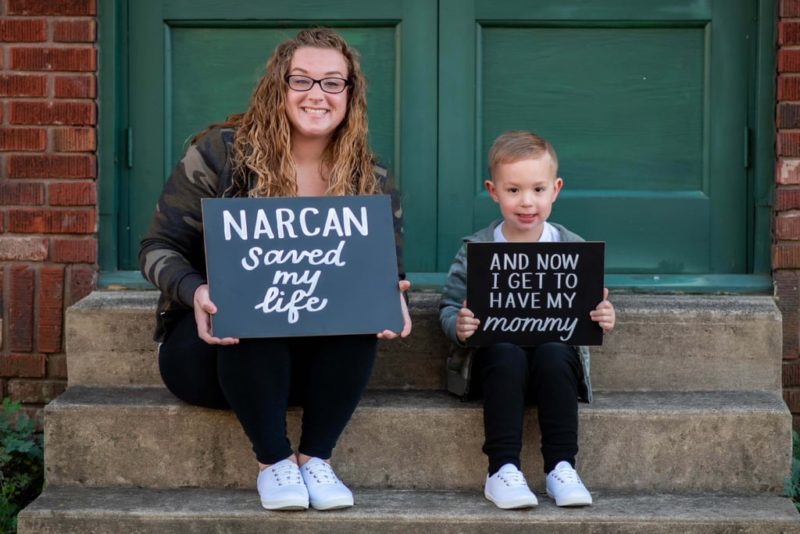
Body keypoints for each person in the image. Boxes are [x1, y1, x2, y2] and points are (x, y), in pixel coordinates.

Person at [139, 28, 411, 512]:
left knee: (356, 317)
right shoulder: (219, 153)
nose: (316, 94)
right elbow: (157, 247)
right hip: (214, 351)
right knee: (255, 302)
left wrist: (392, 298)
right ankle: (274, 462)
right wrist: (195, 290)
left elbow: (385, 271)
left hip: (313, 364)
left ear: (350, 94)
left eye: (332, 83)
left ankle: (315, 459)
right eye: (301, 80)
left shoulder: (370, 177)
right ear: (278, 87)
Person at [438, 130, 615, 509]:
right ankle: (501, 470)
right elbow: (449, 309)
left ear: (556, 189)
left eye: (537, 189)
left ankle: (561, 468)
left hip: (554, 369)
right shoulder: (476, 251)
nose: (526, 202)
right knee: (505, 350)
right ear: (493, 191)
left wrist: (602, 315)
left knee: (554, 351)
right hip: (499, 369)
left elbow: (589, 309)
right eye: (513, 190)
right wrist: (460, 326)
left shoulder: (572, 248)